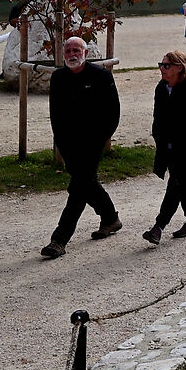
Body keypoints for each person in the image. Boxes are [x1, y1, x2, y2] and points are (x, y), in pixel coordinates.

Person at [42, 35, 122, 258]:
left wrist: (101, 140)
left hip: (93, 142)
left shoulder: (101, 76)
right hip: (69, 144)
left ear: (86, 53)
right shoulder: (58, 78)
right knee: (87, 183)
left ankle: (59, 240)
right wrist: (61, 144)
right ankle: (110, 218)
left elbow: (113, 113)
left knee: (77, 189)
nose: (72, 55)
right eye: (68, 51)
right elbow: (55, 114)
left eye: (76, 50)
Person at [144, 51, 186, 244]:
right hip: (168, 146)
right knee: (182, 182)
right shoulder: (161, 88)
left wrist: (180, 136)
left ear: (179, 68)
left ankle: (159, 226)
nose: (162, 69)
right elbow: (158, 117)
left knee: (177, 182)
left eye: (166, 65)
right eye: (161, 65)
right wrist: (159, 137)